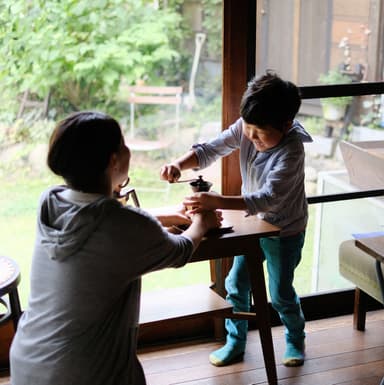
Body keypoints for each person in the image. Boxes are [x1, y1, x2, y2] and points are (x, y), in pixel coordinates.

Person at [10, 111, 222, 385]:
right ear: (113, 160)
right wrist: (202, 223)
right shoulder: (124, 225)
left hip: (29, 358)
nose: (128, 149)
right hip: (83, 371)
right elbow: (180, 250)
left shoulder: (51, 201)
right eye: (123, 144)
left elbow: (102, 220)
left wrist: (169, 217)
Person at [160, 71, 313, 367]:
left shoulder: (292, 149)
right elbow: (211, 149)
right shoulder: (247, 127)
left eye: (259, 132)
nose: (251, 137)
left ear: (286, 125)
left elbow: (268, 198)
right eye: (248, 129)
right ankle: (236, 341)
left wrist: (216, 201)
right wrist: (179, 164)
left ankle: (295, 338)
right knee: (236, 284)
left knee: (280, 293)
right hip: (255, 223)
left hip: (286, 230)